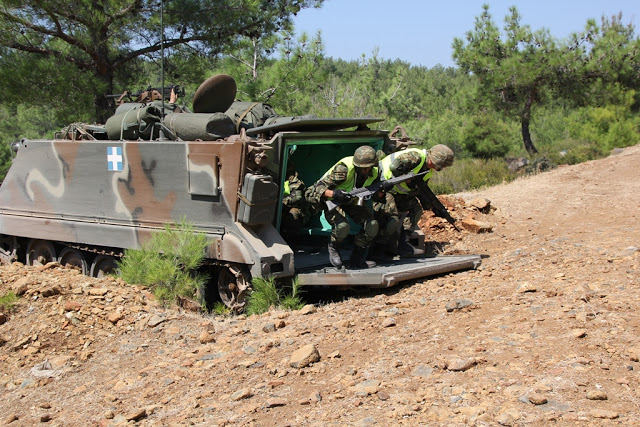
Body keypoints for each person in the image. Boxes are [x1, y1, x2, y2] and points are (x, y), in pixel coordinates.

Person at [305, 146, 380, 269]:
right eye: (363, 168)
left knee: (372, 226)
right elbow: (316, 189)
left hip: (353, 201)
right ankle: (334, 247)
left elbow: (376, 195)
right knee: (342, 226)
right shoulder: (343, 169)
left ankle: (357, 258)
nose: (366, 171)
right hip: (332, 200)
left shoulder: (375, 173)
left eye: (369, 167)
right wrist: (335, 194)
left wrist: (382, 191)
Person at [376, 144, 455, 256]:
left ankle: (404, 244)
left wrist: (433, 207)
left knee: (416, 210)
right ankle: (379, 249)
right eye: (442, 165)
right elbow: (395, 168)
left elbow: (421, 191)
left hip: (398, 191)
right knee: (392, 218)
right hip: (383, 187)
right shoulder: (416, 157)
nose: (441, 168)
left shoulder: (428, 170)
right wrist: (409, 179)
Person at [281, 161, 309, 243]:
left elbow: (297, 198)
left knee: (293, 213)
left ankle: (290, 242)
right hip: (281, 208)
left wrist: (280, 203)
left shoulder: (295, 181)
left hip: (300, 211)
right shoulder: (277, 176)